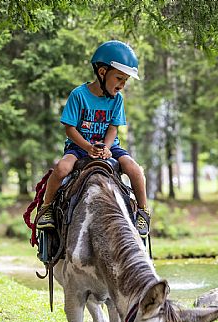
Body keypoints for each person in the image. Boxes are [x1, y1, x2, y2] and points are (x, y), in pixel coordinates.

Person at [36, 40, 150, 238]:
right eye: (119, 78)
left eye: (126, 81)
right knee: (61, 169)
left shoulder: (117, 100)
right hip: (79, 146)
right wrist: (88, 147)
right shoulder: (78, 95)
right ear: (102, 72)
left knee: (135, 170)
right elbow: (70, 129)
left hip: (110, 147)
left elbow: (113, 128)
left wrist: (106, 148)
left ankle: (143, 212)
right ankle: (46, 209)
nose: (122, 85)